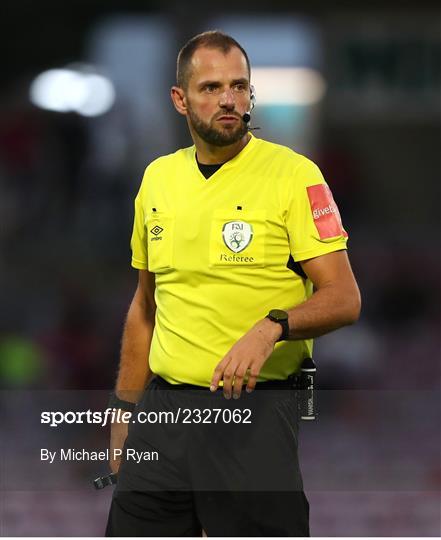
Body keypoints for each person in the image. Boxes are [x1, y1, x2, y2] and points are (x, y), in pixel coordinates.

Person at [105, 30, 361, 537]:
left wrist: (272, 327)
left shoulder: (294, 175)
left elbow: (344, 298)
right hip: (163, 413)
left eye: (239, 86)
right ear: (180, 99)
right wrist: (122, 415)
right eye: (211, 87)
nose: (228, 99)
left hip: (252, 416)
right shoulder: (157, 179)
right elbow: (145, 308)